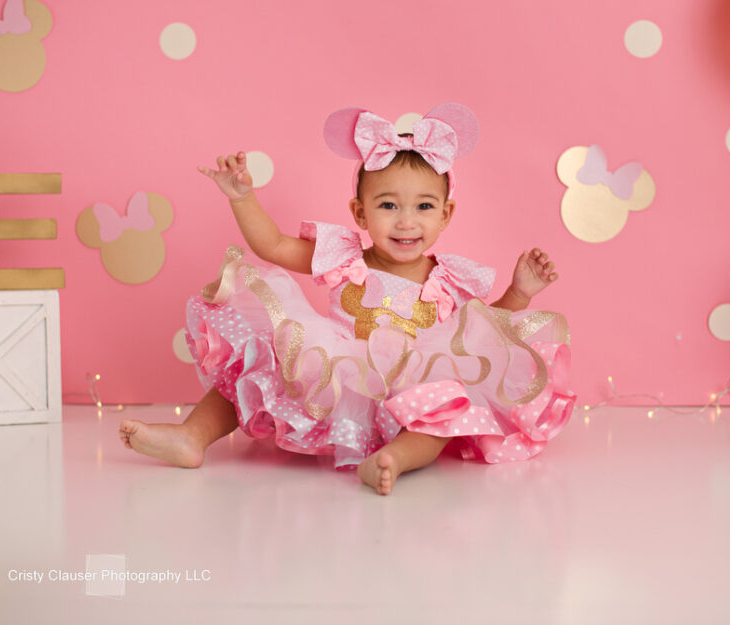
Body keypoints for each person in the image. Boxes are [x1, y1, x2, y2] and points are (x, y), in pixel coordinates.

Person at [120, 104, 576, 495]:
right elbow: (274, 247)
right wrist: (243, 198)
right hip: (332, 375)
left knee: (444, 409)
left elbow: (482, 338)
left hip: (406, 386)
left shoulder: (450, 278)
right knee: (257, 365)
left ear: (445, 214)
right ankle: (192, 436)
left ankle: (392, 460)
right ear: (360, 212)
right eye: (388, 206)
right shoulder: (345, 257)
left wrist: (519, 292)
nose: (405, 222)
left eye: (423, 207)